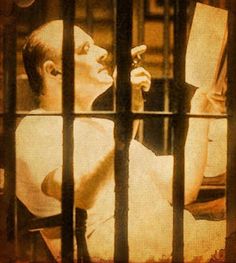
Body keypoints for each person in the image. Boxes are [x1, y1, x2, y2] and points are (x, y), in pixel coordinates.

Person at [16, 20, 226, 262]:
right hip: (129, 247)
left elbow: (183, 186)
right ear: (54, 71)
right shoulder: (35, 129)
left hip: (173, 237)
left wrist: (200, 104)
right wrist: (125, 131)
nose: (103, 53)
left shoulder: (104, 127)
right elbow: (81, 193)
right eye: (85, 49)